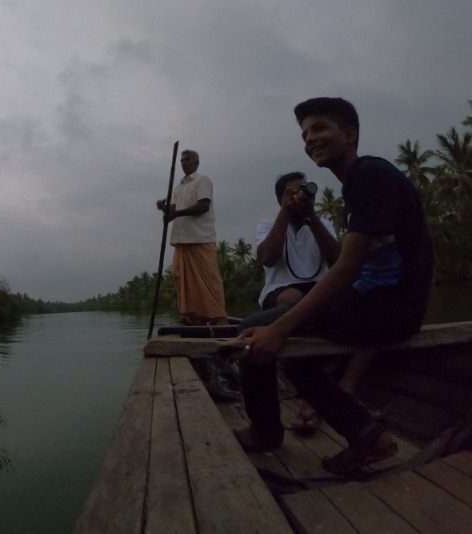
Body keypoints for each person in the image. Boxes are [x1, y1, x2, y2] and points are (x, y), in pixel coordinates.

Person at [233, 97, 433, 475]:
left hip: (391, 306)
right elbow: (347, 268)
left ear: (350, 134)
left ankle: (270, 433)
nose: (310, 139)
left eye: (320, 128)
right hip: (378, 300)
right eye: (305, 134)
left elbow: (346, 266)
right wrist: (281, 326)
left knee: (254, 334)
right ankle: (367, 435)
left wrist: (281, 327)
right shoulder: (358, 184)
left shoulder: (368, 176)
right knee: (274, 341)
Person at [256, 171, 341, 431]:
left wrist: (311, 217)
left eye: (305, 190)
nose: (301, 195)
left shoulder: (323, 223)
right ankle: (311, 394)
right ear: (281, 198)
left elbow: (336, 259)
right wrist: (285, 212)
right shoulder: (266, 224)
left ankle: (310, 385)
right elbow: (268, 258)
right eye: (293, 191)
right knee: (293, 298)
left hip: (318, 294)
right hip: (280, 293)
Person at [156, 149, 228, 326]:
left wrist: (177, 214)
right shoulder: (178, 187)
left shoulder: (202, 180)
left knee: (209, 278)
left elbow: (203, 206)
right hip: (182, 238)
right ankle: (192, 315)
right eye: (181, 160)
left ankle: (217, 316)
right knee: (178, 275)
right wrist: (163, 209)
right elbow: (172, 212)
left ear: (196, 162)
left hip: (200, 237)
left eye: (187, 159)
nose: (183, 163)